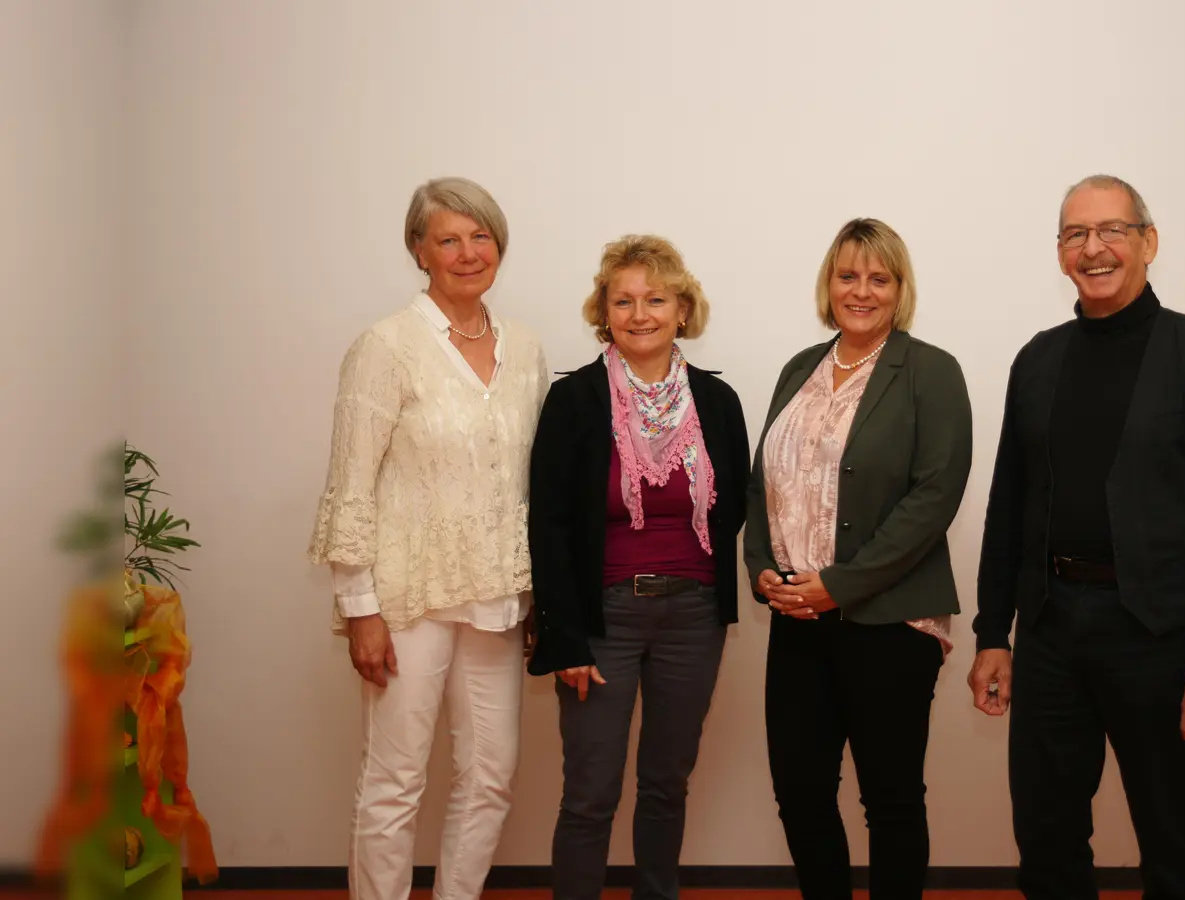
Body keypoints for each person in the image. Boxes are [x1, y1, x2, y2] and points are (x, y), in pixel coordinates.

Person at [968, 174, 1185, 900]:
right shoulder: (1037, 359)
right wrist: (992, 632)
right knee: (1045, 839)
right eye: (1075, 234)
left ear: (1149, 243)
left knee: (1170, 840)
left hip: (1161, 638)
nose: (1093, 247)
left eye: (1111, 230)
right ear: (1059, 254)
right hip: (1050, 634)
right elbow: (1008, 506)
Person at [307, 176, 549, 900]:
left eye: (481, 237)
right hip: (406, 601)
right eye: (449, 238)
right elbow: (349, 484)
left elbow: (533, 482)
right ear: (419, 251)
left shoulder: (527, 349)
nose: (468, 252)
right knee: (394, 779)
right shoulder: (385, 347)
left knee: (490, 777)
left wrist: (539, 590)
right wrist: (361, 608)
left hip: (497, 599)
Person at [745, 218, 973, 900]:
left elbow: (935, 497)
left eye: (879, 277)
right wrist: (762, 568)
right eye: (848, 275)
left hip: (889, 627)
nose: (862, 290)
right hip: (797, 622)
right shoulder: (799, 369)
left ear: (899, 288)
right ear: (829, 283)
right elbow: (764, 485)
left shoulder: (930, 371)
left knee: (891, 801)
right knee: (802, 796)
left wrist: (840, 587)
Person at [526, 234, 748, 900]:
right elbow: (549, 526)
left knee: (665, 785)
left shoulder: (718, 401)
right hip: (603, 621)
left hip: (694, 616)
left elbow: (735, 504)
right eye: (622, 300)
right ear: (605, 311)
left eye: (656, 298)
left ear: (683, 308)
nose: (639, 312)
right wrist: (562, 635)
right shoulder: (575, 402)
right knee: (590, 792)